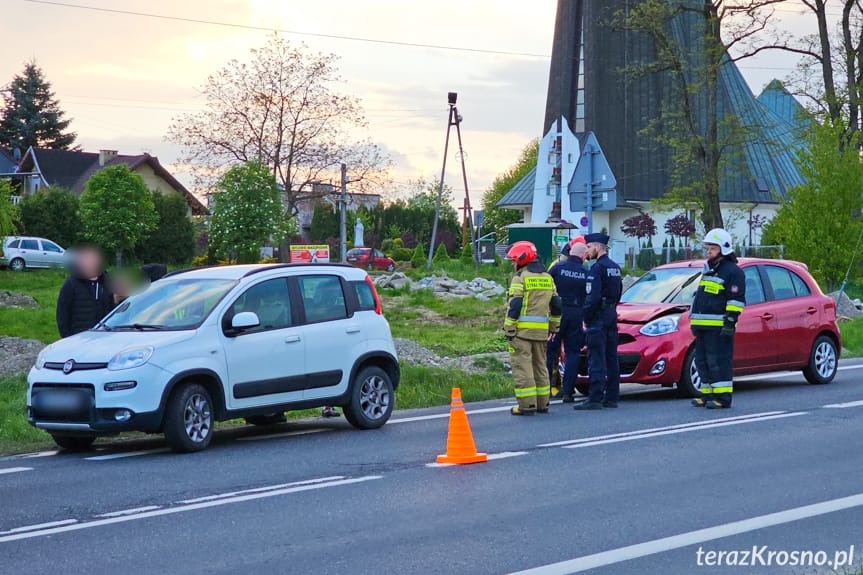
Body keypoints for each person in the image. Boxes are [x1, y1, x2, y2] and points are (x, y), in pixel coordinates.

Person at [504, 241, 562, 416]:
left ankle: (527, 405)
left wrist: (509, 327)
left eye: (514, 260)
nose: (513, 264)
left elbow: (515, 304)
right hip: (541, 332)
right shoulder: (547, 278)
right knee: (540, 367)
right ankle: (542, 403)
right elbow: (557, 304)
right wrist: (554, 327)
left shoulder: (520, 278)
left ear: (522, 259)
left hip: (521, 333)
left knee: (523, 367)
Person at [690, 228, 746, 409]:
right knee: (702, 361)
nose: (709, 252)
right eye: (708, 248)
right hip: (703, 326)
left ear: (723, 249)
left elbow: (736, 300)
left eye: (712, 248)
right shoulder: (710, 270)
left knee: (718, 362)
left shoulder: (732, 272)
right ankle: (707, 395)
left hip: (719, 327)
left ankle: (723, 398)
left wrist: (730, 321)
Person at [574, 233, 623, 410]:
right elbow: (618, 293)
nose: (587, 251)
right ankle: (611, 397)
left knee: (596, 357)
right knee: (611, 357)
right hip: (611, 314)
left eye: (588, 247)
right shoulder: (615, 267)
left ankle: (594, 397)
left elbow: (592, 297)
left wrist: (586, 318)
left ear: (597, 247)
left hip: (598, 317)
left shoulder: (597, 268)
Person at [548, 239, 588, 403]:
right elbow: (589, 296)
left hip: (557, 314)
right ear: (583, 255)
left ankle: (545, 390)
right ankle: (568, 391)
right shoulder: (586, 272)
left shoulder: (557, 268)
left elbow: (547, 290)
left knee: (550, 352)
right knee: (572, 353)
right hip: (576, 314)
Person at [56, 245, 115, 338]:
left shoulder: (107, 283)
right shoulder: (71, 284)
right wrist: (67, 338)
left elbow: (114, 311)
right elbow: (62, 315)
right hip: (79, 338)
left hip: (104, 338)